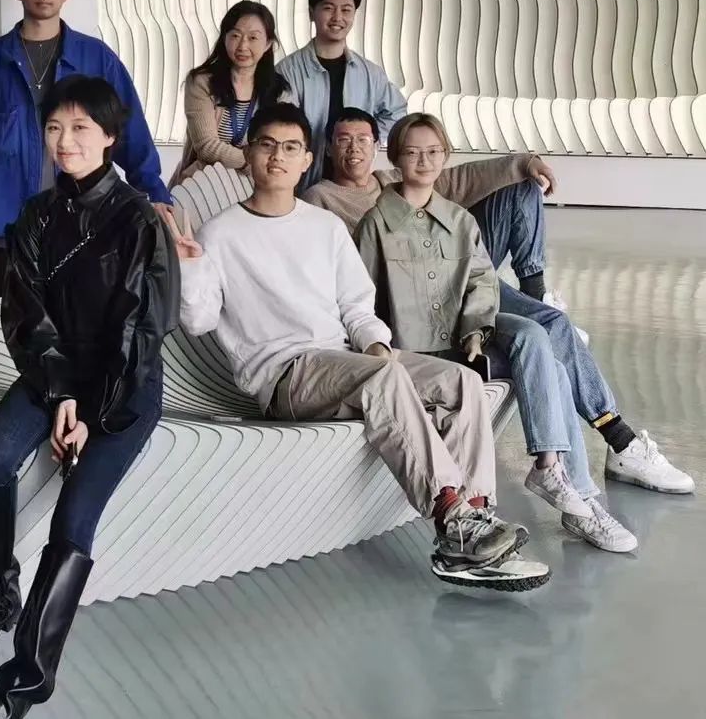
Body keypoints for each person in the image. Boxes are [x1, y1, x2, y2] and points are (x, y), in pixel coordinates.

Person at [166, 101, 550, 592]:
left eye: (290, 147)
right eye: (267, 145)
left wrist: (375, 345)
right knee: (382, 376)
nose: (278, 157)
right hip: (285, 377)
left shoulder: (323, 227)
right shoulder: (219, 234)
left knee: (460, 382)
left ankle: (474, 519)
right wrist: (191, 266)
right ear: (249, 153)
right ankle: (453, 517)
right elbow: (198, 321)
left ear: (306, 159)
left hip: (343, 361)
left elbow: (357, 306)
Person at [0, 75, 179, 718]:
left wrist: (90, 409)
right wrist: (59, 395)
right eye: (54, 127)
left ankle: (21, 686)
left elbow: (142, 330)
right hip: (51, 372)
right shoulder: (35, 215)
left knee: (73, 520)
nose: (65, 140)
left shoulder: (141, 220)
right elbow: (25, 314)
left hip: (124, 386)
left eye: (80, 128)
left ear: (110, 137)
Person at [310, 107, 693, 495]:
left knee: (523, 190)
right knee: (548, 329)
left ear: (377, 146)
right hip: (405, 296)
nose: (354, 148)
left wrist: (525, 162)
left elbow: (466, 177)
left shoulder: (395, 178)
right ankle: (609, 444)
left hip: (453, 274)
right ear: (328, 148)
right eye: (344, 140)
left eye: (363, 139)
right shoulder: (322, 198)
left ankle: (536, 294)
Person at [356, 113, 638, 553]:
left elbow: (483, 282)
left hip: (464, 343)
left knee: (536, 340)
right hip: (418, 355)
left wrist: (476, 329)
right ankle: (576, 495)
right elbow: (363, 296)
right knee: (553, 372)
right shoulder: (376, 224)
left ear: (445, 156)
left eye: (433, 152)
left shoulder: (460, 221)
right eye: (412, 152)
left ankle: (558, 475)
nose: (423, 161)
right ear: (395, 158)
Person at [0, 0, 172, 303]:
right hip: (9, 223)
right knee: (6, 320)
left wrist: (154, 192)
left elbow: (129, 130)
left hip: (85, 223)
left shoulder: (97, 57)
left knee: (81, 315)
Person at [277, 0, 407, 190]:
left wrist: (366, 142)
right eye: (328, 8)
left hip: (354, 185)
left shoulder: (370, 73)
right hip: (302, 184)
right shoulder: (288, 71)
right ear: (312, 13)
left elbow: (396, 113)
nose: (338, 17)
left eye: (346, 10)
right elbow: (282, 128)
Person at [170, 0, 294, 185]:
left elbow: (282, 146)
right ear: (224, 38)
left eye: (253, 38)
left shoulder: (279, 91)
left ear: (268, 44)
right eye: (235, 35)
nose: (243, 46)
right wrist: (255, 160)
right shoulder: (201, 82)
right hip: (202, 184)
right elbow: (207, 147)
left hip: (256, 186)